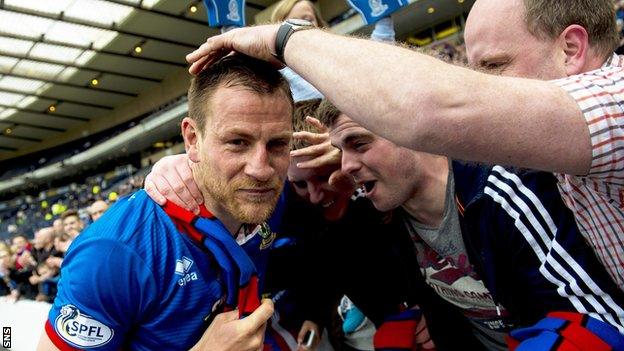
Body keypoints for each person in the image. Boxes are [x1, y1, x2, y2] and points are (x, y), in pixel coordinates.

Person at [183, 0, 624, 290]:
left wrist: (284, 39)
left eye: (493, 66)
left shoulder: (616, 100)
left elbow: (429, 110)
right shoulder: (540, 156)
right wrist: (184, 167)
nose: (481, 86)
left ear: (571, 48)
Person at [314, 100, 624, 349]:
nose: (346, 166)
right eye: (340, 151)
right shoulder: (386, 212)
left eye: (359, 144)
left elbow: (598, 321)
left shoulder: (501, 192)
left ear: (410, 131)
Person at [37, 54, 291, 351]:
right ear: (193, 139)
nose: (261, 169)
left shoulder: (275, 195)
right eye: (237, 142)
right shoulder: (115, 250)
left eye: (278, 144)